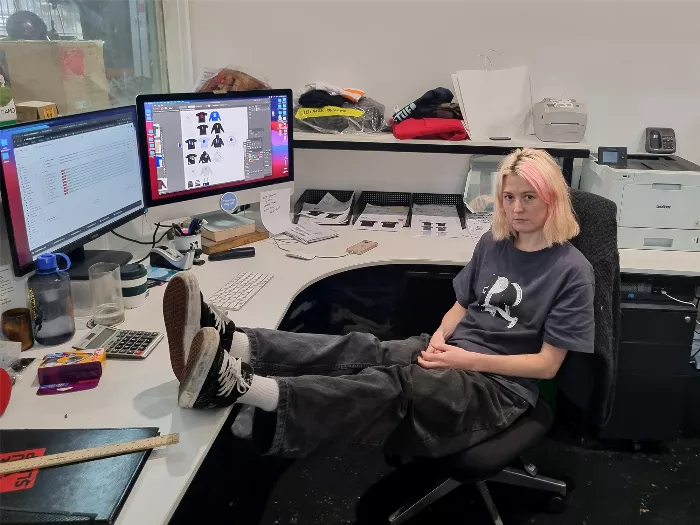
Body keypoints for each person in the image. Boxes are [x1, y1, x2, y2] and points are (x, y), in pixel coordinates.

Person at [162, 148, 594, 458]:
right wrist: (441, 340)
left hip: (500, 388)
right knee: (365, 348)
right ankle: (237, 343)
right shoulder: (494, 242)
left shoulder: (572, 270)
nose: (516, 208)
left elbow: (547, 366)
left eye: (528, 197)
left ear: (551, 198)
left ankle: (248, 391)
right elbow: (462, 305)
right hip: (453, 353)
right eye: (508, 197)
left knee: (394, 386)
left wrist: (463, 360)